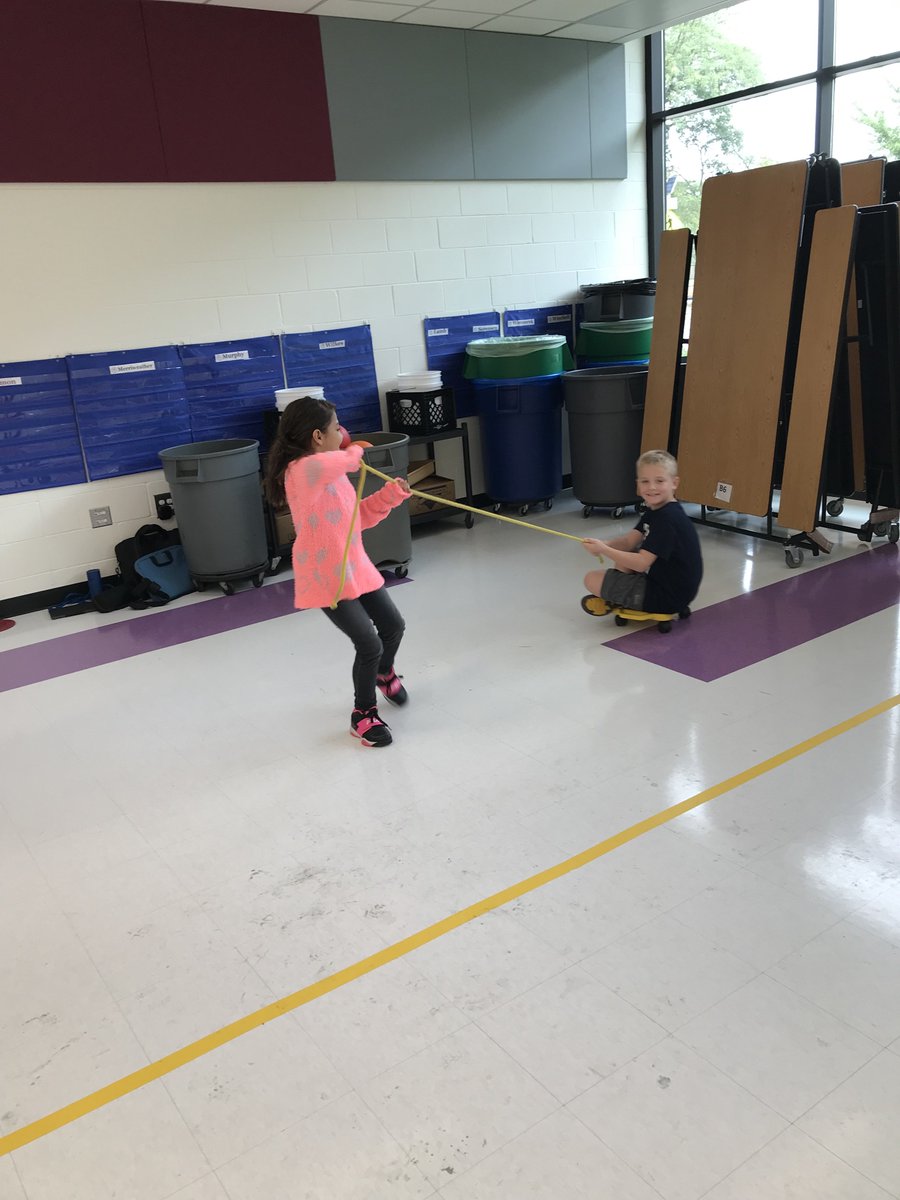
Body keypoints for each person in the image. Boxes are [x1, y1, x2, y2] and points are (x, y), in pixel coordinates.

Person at [265, 397, 411, 748]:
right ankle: (363, 715)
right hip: (326, 578)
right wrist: (355, 452)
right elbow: (342, 460)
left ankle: (383, 672)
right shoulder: (301, 471)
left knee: (393, 626)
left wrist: (390, 495)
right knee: (369, 643)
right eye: (336, 427)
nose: (342, 432)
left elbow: (356, 517)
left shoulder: (331, 472)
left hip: (355, 567)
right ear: (318, 436)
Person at [582, 449, 702, 616]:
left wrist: (604, 550)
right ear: (638, 485)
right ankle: (621, 593)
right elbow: (627, 542)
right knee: (629, 552)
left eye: (659, 481)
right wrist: (604, 543)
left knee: (591, 579)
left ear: (674, 483)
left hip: (665, 597)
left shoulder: (667, 519)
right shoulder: (658, 510)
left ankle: (618, 599)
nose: (651, 487)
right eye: (645, 481)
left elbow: (641, 564)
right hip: (673, 590)